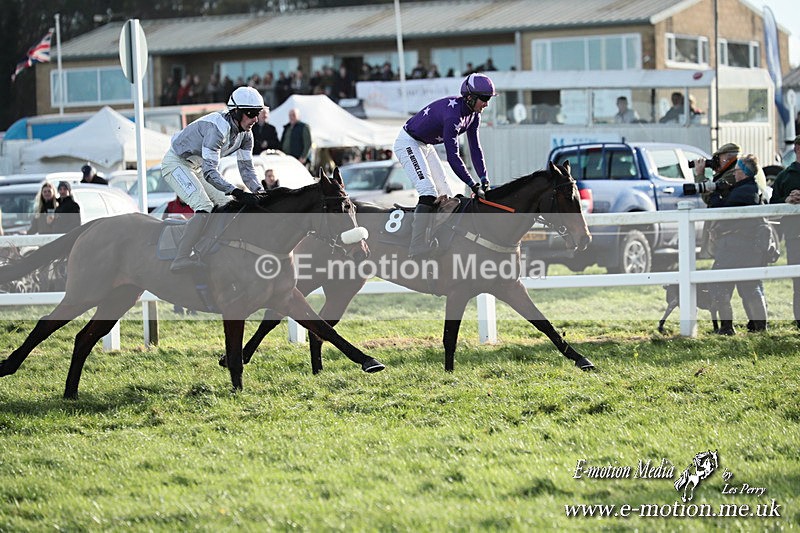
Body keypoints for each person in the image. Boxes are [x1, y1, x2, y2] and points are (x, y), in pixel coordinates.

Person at [161, 85, 265, 272]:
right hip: (176, 163)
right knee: (205, 207)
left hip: (197, 167)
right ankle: (181, 256)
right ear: (236, 112)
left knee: (228, 203)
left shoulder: (246, 135)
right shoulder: (217, 129)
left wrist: (260, 192)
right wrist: (236, 191)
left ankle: (209, 249)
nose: (255, 119)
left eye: (258, 113)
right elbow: (210, 172)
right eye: (251, 113)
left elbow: (247, 170)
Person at [394, 72, 494, 258]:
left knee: (445, 194)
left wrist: (484, 179)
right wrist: (473, 185)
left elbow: (475, 149)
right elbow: (453, 156)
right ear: (470, 97)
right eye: (484, 99)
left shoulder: (474, 115)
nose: (487, 103)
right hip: (408, 142)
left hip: (425, 144)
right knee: (428, 191)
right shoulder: (453, 116)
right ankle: (416, 246)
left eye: (489, 99)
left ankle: (438, 238)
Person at [708, 154, 771, 335]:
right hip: (747, 247)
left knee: (719, 284)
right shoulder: (752, 188)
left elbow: (722, 212)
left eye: (736, 171)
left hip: (736, 246)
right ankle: (759, 328)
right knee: (750, 285)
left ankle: (728, 328)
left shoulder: (744, 191)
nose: (734, 174)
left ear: (744, 172)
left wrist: (715, 195)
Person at [769, 134, 800, 329]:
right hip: (794, 236)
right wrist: (786, 202)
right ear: (798, 149)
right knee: (798, 282)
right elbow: (772, 208)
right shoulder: (784, 177)